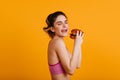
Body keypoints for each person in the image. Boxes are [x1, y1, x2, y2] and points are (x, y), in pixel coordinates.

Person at [43, 11, 84, 80]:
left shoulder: (58, 42)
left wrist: (78, 44)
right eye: (59, 24)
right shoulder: (58, 43)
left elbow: (77, 64)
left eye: (66, 22)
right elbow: (71, 71)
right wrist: (76, 45)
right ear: (52, 29)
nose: (65, 26)